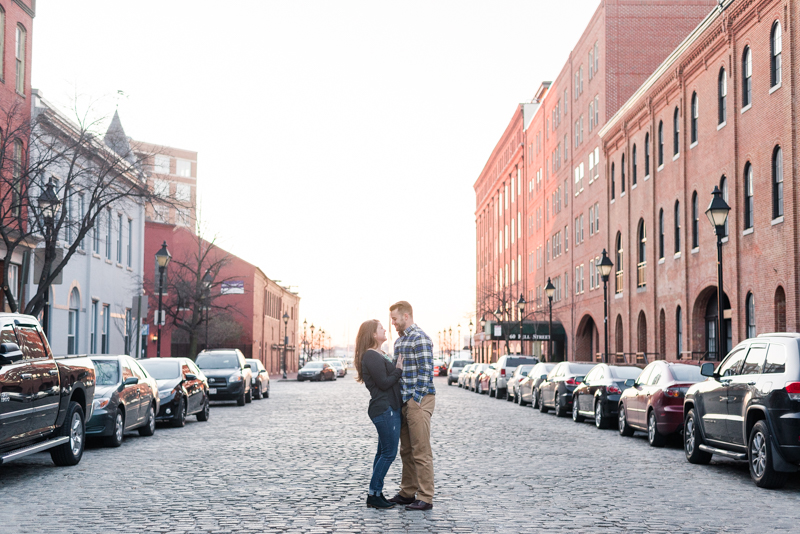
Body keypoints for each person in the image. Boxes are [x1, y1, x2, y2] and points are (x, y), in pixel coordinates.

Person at [387, 301, 435, 511]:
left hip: (418, 400)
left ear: (406, 316)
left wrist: (415, 399)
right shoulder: (399, 342)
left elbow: (426, 371)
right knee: (406, 450)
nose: (393, 322)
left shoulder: (420, 338)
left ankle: (425, 497)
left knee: (421, 450)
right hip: (404, 401)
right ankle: (407, 493)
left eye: (395, 318)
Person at [354, 319, 403, 509]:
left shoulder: (380, 354)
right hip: (384, 409)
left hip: (390, 407)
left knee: (382, 452)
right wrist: (398, 370)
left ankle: (376, 493)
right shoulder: (371, 356)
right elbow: (383, 382)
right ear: (374, 334)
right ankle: (373, 494)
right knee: (389, 453)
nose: (385, 329)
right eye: (381, 328)